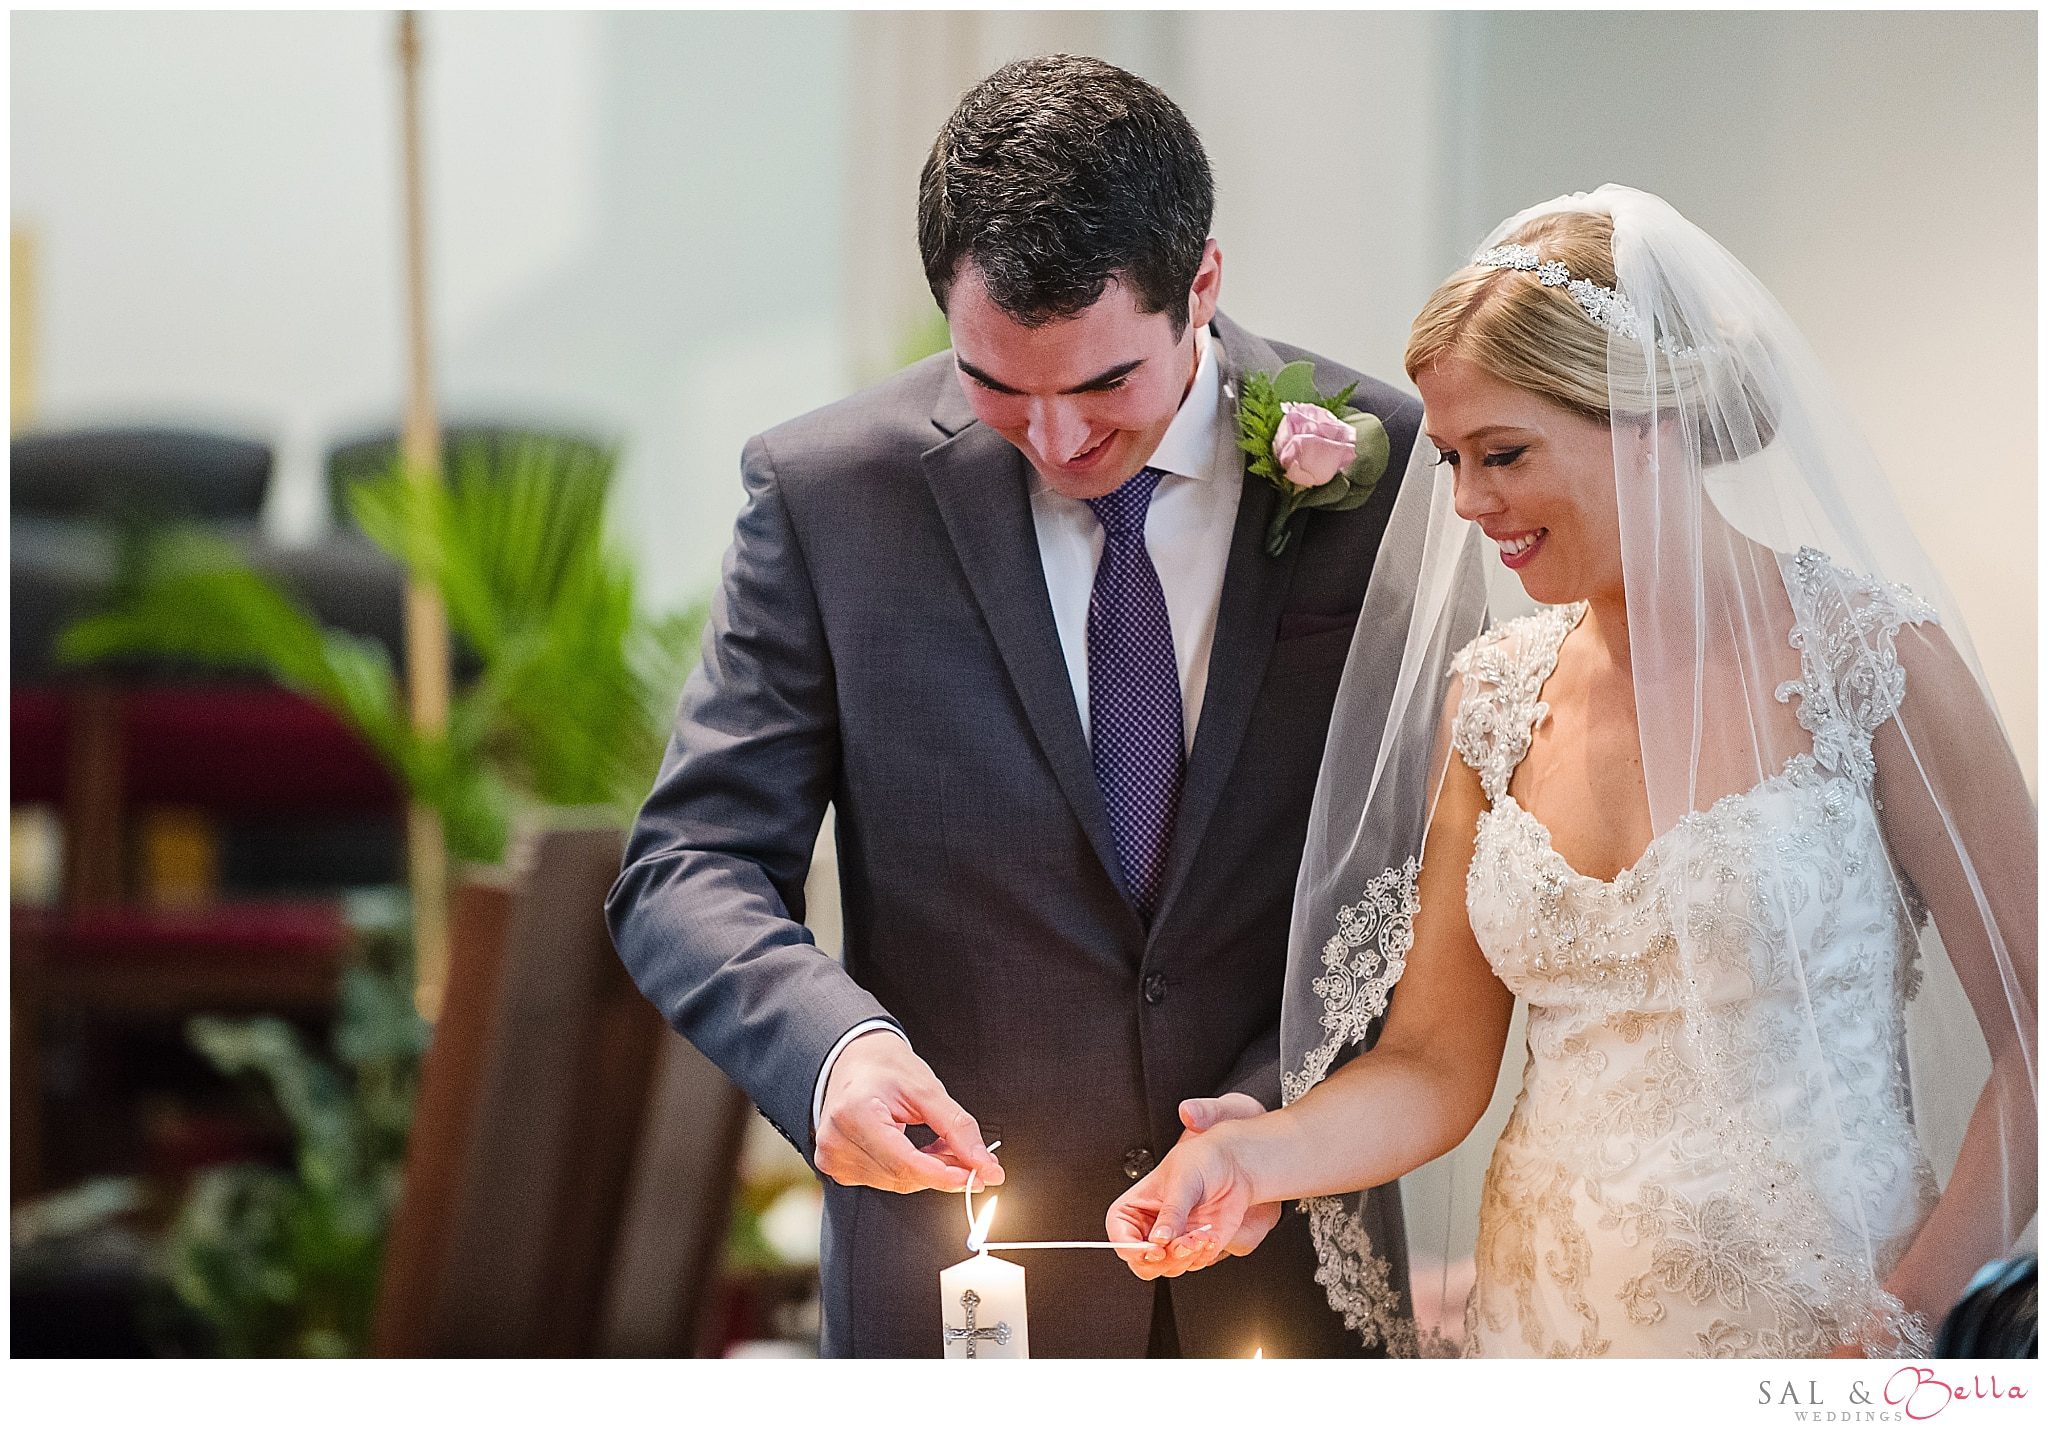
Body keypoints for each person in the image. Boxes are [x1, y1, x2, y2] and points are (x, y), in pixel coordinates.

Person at [1107, 185, 2036, 1358]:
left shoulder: (1872, 662)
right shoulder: (1492, 700)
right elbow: (1432, 1064)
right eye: (1451, 459)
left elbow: (2035, 1043)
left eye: (1501, 453)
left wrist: (1905, 1323)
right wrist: (1254, 1155)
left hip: (1823, 1343)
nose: (1466, 502)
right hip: (1540, 1332)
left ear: (1646, 417)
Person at [605, 54, 1423, 1357]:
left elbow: (1422, 861)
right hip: (955, 1280)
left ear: (1202, 283)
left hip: (1288, 1274)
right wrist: (834, 1052)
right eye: (997, 384)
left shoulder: (1384, 463)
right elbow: (688, 863)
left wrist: (1283, 1126)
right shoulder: (829, 499)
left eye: (1103, 385)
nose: (1053, 440)